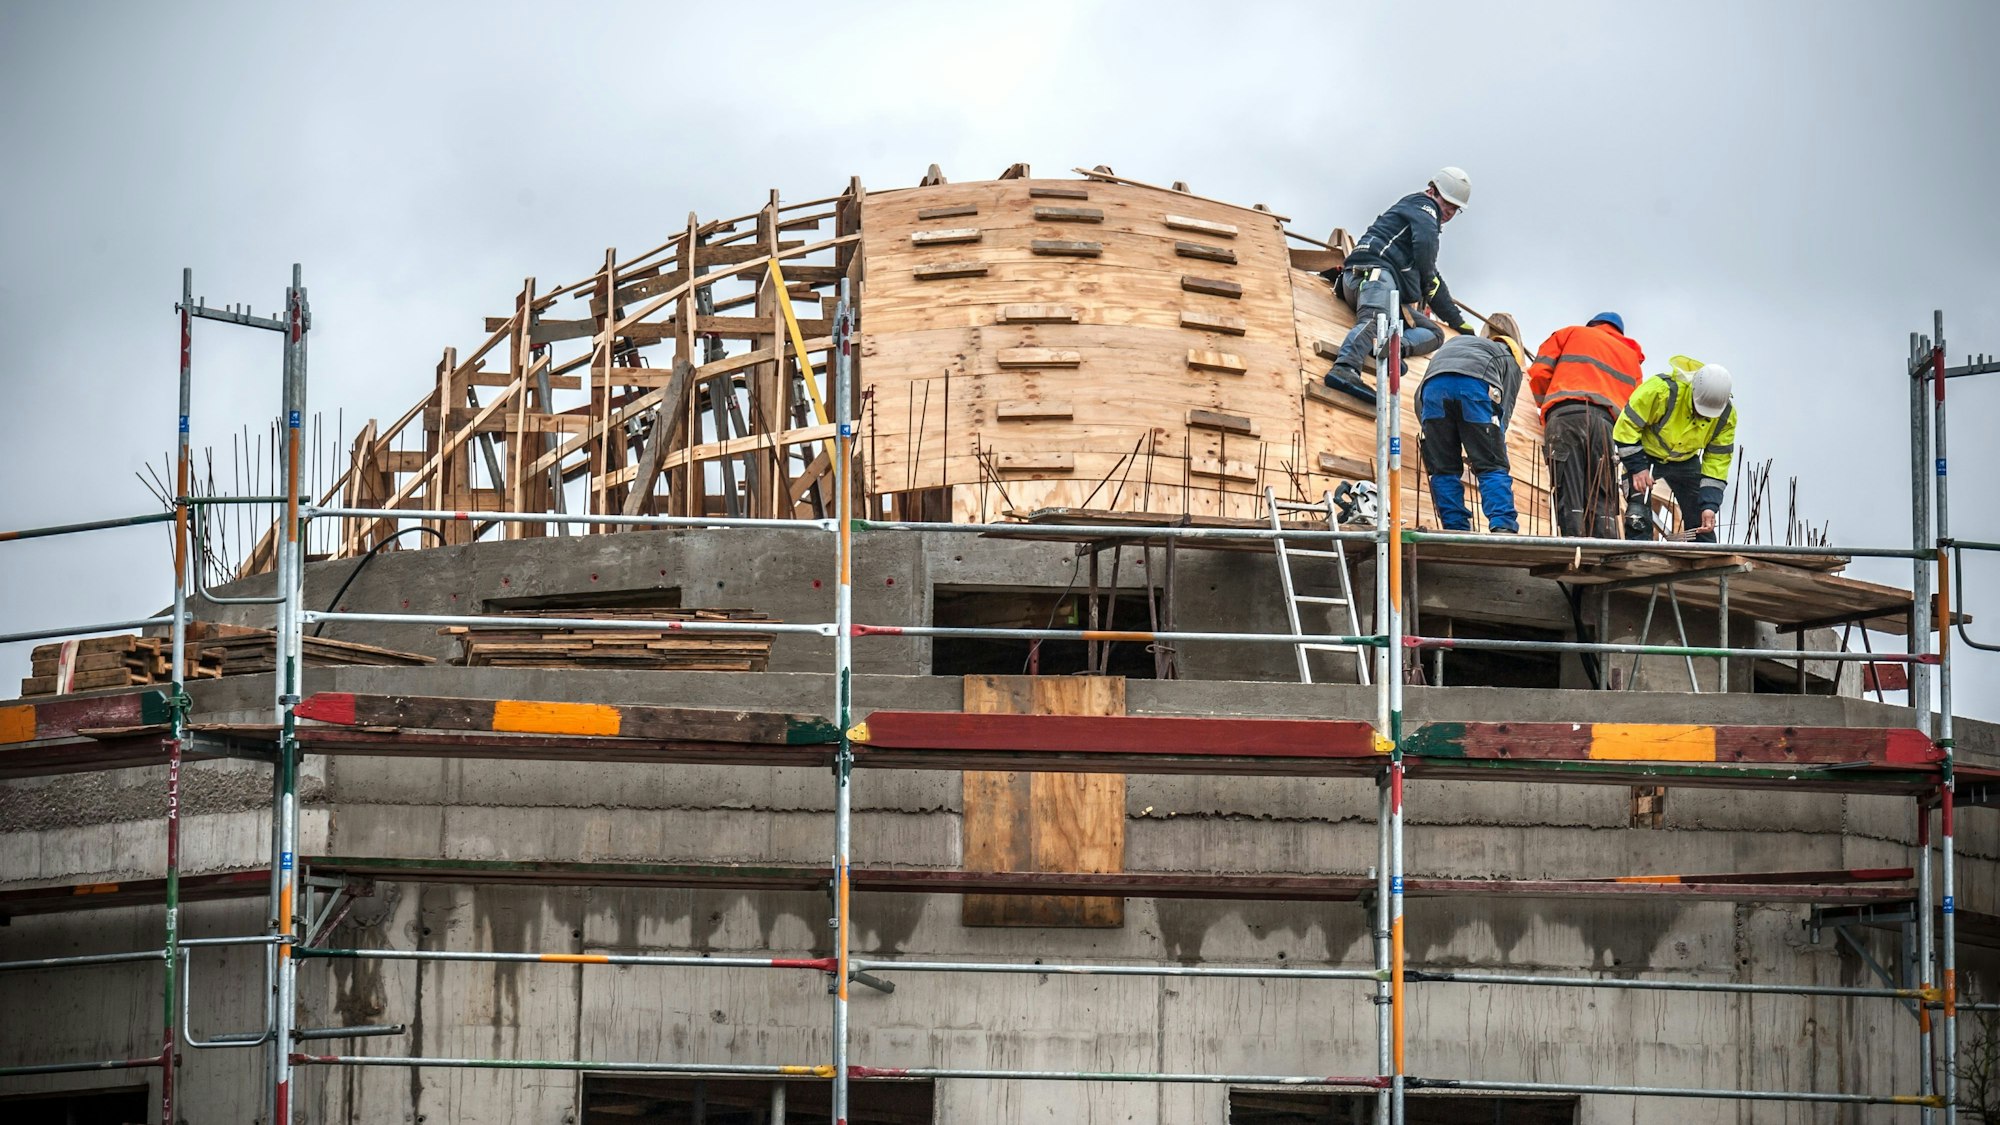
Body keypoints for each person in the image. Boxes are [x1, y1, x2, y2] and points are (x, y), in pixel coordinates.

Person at [1323, 167, 1479, 394]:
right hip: (1372, 275)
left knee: (1434, 333)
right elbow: (1426, 249)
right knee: (1375, 317)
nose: (1449, 211)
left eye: (1455, 208)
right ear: (1432, 191)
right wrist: (1426, 281)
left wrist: (1456, 321)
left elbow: (1432, 279)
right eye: (1447, 203)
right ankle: (1345, 367)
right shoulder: (1423, 206)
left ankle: (1387, 348)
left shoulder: (1419, 219)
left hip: (1384, 290)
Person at [1527, 312, 1645, 538]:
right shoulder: (1631, 358)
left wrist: (1547, 403)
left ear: (1593, 325)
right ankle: (1604, 554)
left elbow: (1540, 372)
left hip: (1565, 416)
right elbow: (1635, 406)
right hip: (1606, 425)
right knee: (1602, 495)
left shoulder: (1571, 333)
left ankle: (1574, 550)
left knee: (1569, 490)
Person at [1417, 319, 1526, 533]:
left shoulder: (1452, 348)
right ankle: (1502, 524)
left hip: (1433, 392)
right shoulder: (1509, 359)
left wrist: (1437, 438)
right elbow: (1505, 407)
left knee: (1443, 469)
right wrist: (1486, 444)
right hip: (1475, 386)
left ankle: (1456, 528)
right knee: (1491, 465)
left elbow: (1419, 399)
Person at [1612, 356, 1737, 543]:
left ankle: (1706, 560)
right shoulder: (1661, 391)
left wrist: (1710, 505)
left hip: (1685, 460)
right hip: (1645, 454)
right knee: (1638, 515)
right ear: (1693, 391)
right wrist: (1637, 468)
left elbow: (1717, 463)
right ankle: (1640, 553)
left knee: (1701, 517)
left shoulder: (1725, 417)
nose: (1702, 416)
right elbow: (1626, 427)